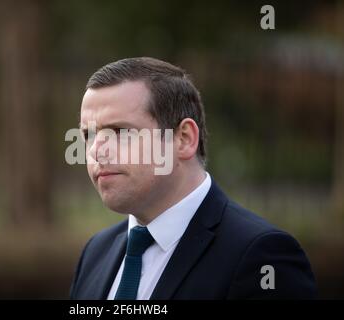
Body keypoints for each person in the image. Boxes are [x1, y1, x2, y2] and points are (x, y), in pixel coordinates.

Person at [69, 57, 317, 299]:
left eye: (120, 131)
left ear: (184, 139)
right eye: (89, 134)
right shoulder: (95, 253)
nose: (95, 150)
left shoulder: (262, 257)